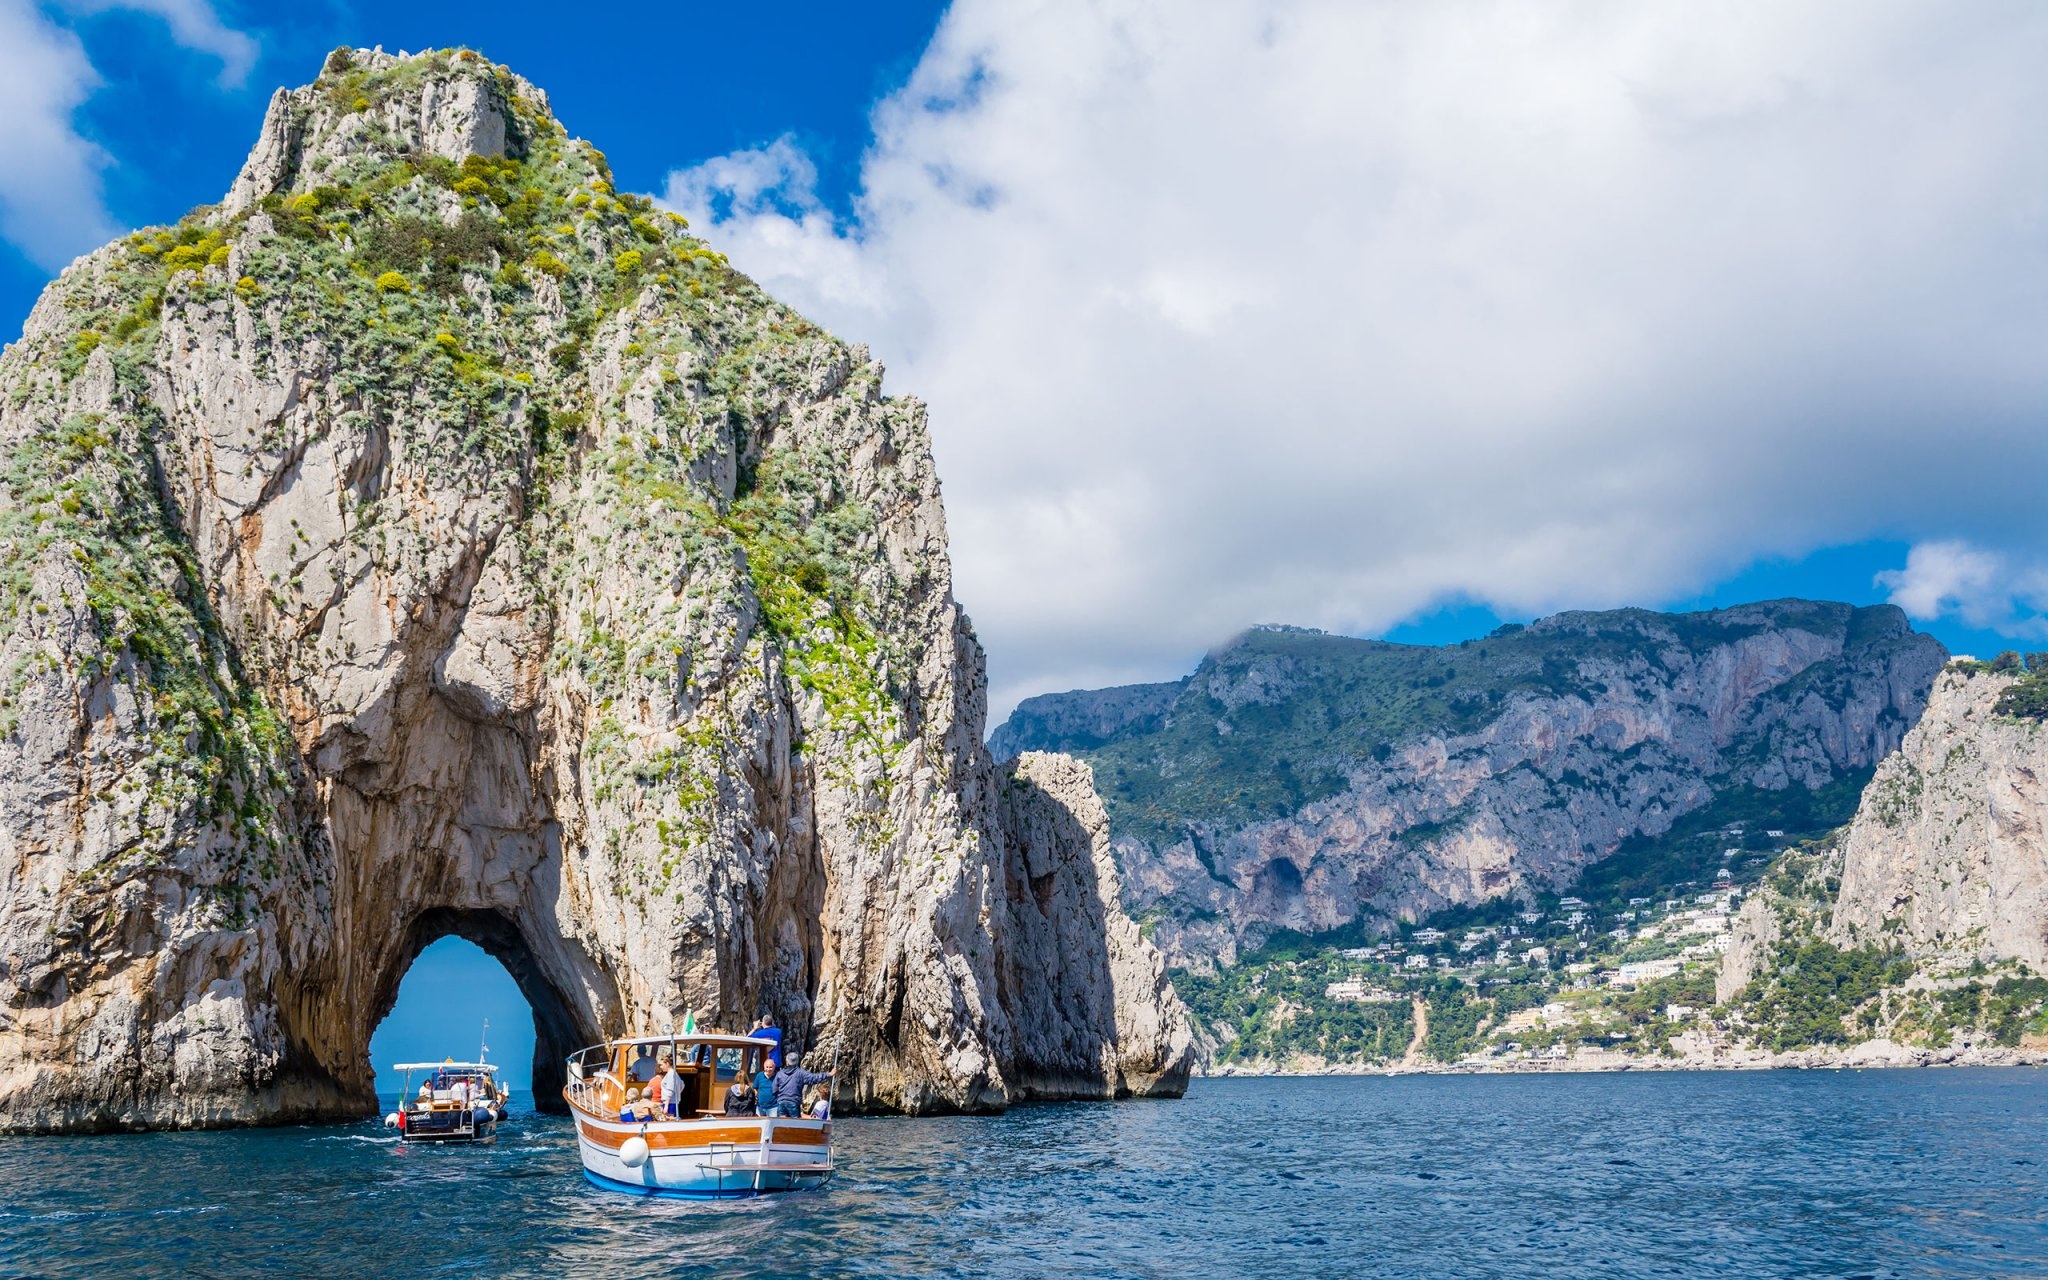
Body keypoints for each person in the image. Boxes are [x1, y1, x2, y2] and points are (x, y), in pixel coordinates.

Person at [770, 1053, 835, 1119]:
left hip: (781, 1103)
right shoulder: (800, 1073)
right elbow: (814, 1078)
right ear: (797, 1061)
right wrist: (829, 1074)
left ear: (786, 1061)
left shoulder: (779, 1074)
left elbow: (774, 1089)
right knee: (795, 1126)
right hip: (793, 1103)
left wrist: (780, 1098)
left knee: (781, 1124)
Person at [658, 1054, 684, 1118]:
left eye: (662, 1065)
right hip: (673, 1102)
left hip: (669, 1103)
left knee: (669, 1119)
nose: (661, 1067)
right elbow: (682, 1085)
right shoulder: (675, 1073)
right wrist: (677, 1094)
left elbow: (670, 1091)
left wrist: (666, 1106)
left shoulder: (670, 1074)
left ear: (667, 1064)